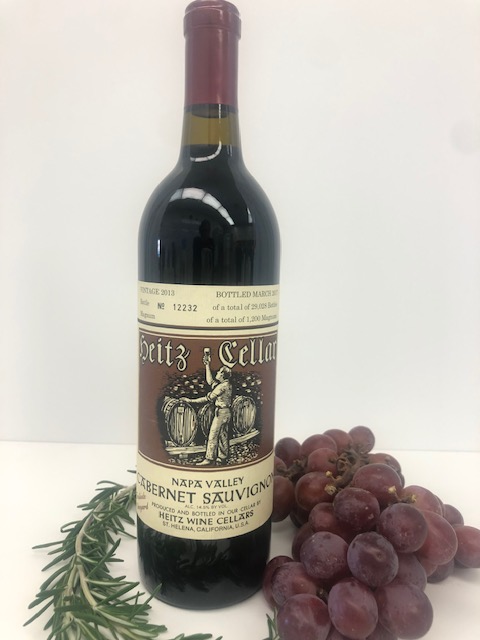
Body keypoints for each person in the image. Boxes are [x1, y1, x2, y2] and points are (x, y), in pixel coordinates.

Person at [185, 352, 233, 466]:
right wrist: (207, 365)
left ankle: (209, 459)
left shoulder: (222, 387)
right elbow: (210, 382)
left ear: (223, 375)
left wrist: (190, 401)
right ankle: (222, 458)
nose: (217, 373)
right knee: (223, 435)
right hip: (226, 412)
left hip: (221, 413)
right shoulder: (226, 385)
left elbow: (208, 398)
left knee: (213, 435)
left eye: (219, 372)